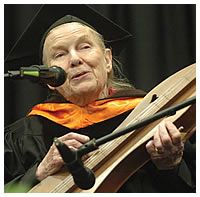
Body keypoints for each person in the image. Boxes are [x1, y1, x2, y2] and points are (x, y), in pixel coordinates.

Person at [4, 5, 195, 193]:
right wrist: (39, 172)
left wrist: (171, 166)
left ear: (107, 60)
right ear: (47, 79)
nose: (75, 59)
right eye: (60, 54)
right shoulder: (24, 136)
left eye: (84, 46)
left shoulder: (152, 115)